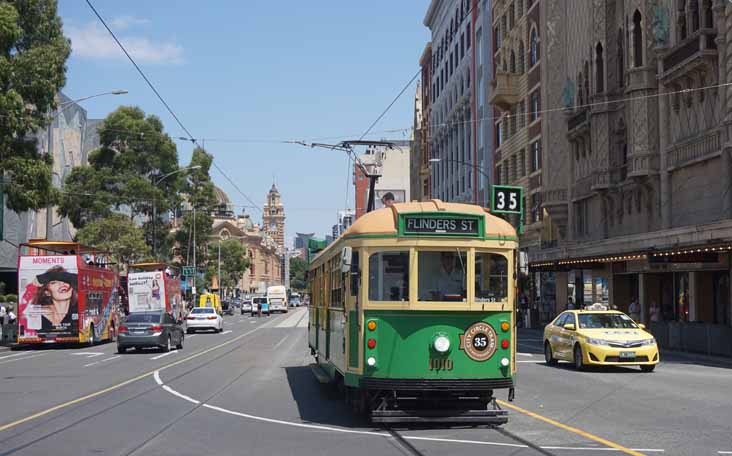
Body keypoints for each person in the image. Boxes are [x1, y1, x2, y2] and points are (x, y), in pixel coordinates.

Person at [29, 265, 78, 332]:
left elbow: (78, 278)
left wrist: (49, 276)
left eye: (66, 280)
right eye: (54, 282)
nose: (62, 284)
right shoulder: (39, 313)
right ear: (47, 292)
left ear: (72, 288)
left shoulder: (78, 310)